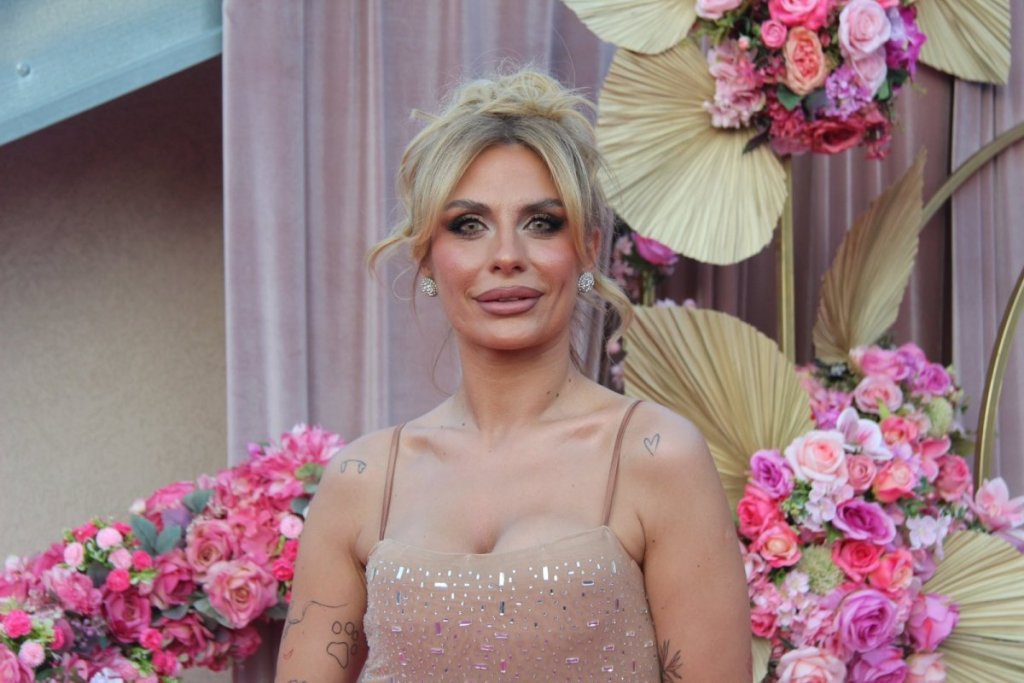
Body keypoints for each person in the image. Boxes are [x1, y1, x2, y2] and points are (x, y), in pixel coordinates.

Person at [275, 69, 751, 682]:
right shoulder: (362, 480)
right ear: (427, 258)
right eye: (468, 225)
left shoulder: (657, 457)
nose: (506, 256)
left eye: (542, 222)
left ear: (587, 249)